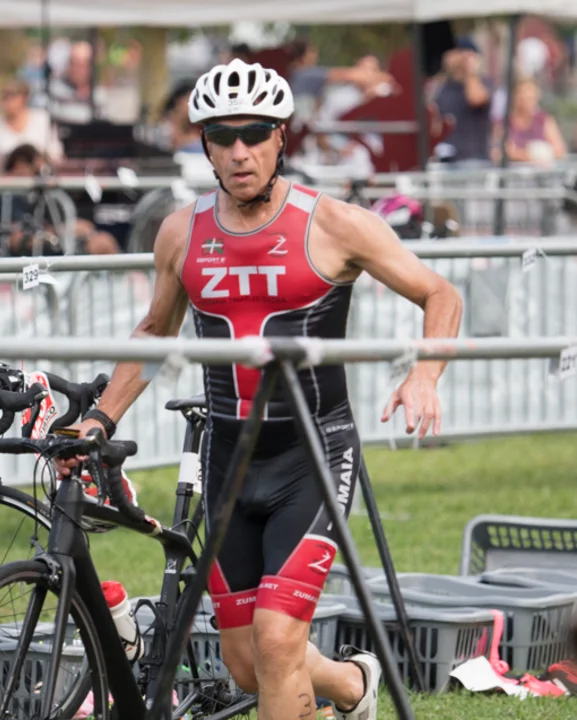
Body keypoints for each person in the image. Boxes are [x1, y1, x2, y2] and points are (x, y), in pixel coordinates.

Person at [65, 59, 463, 719]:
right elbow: (155, 331)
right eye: (223, 137)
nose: (239, 152)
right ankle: (353, 686)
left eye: (254, 134)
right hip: (229, 460)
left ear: (281, 137)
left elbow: (440, 294)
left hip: (312, 455)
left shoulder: (333, 223)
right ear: (205, 146)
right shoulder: (181, 231)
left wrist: (425, 373)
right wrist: (99, 420)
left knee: (277, 642)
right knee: (248, 662)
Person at [0, 144, 118, 255]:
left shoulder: (41, 193)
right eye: (38, 172)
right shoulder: (5, 193)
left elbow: (67, 223)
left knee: (103, 242)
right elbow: (16, 240)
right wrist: (61, 232)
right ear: (19, 164)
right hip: (26, 259)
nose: (43, 178)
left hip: (55, 247)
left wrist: (74, 231)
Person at [0, 79, 63, 175]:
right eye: (4, 97)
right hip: (4, 180)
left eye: (12, 96)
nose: (7, 102)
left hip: (39, 180)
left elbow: (56, 153)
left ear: (24, 97)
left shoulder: (42, 119)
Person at [432, 37, 493, 165]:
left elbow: (475, 99)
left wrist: (469, 69)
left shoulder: (482, 83)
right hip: (446, 159)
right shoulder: (442, 87)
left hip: (474, 160)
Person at [492, 77, 566, 166]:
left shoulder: (544, 120)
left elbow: (560, 150)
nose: (529, 102)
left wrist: (530, 154)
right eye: (525, 98)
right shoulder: (503, 123)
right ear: (515, 97)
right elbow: (497, 153)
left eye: (532, 98)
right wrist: (527, 156)